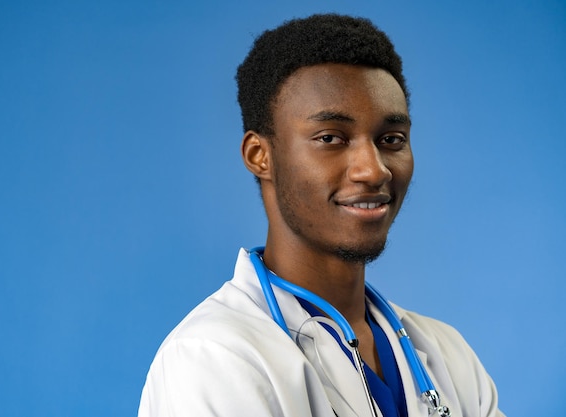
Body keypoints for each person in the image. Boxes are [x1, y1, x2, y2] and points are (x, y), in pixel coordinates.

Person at [138, 14, 505, 417]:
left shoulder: (447, 355)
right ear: (260, 156)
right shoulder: (213, 358)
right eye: (330, 138)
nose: (374, 169)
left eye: (391, 139)